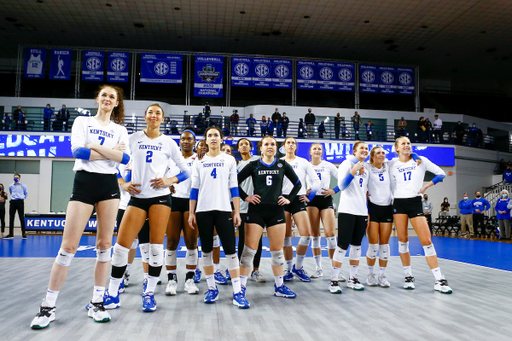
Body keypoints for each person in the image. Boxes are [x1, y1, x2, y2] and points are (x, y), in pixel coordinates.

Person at [30, 85, 130, 329]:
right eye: (104, 95)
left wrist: (94, 148)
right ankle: (48, 307)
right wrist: (109, 153)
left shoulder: (120, 130)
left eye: (112, 97)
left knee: (105, 246)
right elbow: (77, 152)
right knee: (68, 247)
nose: (107, 99)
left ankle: (97, 303)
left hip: (109, 186)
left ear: (117, 103)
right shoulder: (82, 122)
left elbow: (125, 159)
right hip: (84, 183)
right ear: (98, 99)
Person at [104, 103, 190, 313]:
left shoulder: (169, 143)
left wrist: (169, 180)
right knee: (121, 247)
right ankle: (112, 293)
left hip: (160, 198)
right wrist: (123, 184)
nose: (154, 115)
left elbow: (186, 171)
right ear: (145, 116)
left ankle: (149, 293)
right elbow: (115, 164)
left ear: (162, 119)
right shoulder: (132, 139)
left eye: (158, 113)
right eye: (150, 112)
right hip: (137, 198)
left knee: (155, 247)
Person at [237, 135, 302, 302]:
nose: (270, 146)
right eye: (266, 144)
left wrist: (289, 199)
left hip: (276, 212)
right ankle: (241, 289)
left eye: (272, 144)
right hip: (256, 211)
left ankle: (279, 287)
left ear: (276, 147)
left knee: (277, 252)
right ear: (261, 148)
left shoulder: (282, 164)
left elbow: (298, 184)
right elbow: (235, 182)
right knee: (248, 252)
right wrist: (246, 197)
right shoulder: (253, 165)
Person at [188, 127, 248, 308]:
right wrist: (191, 212)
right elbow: (194, 189)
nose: (213, 138)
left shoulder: (229, 160)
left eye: (216, 135)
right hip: (203, 210)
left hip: (223, 209)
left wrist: (236, 211)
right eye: (209, 136)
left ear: (221, 139)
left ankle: (238, 292)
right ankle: (212, 288)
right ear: (205, 140)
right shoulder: (199, 162)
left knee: (230, 250)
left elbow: (234, 188)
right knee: (206, 250)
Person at [390, 136, 452, 293]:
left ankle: (439, 280)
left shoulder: (421, 160)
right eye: (403, 143)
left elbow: (441, 173)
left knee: (426, 240)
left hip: (415, 202)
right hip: (398, 203)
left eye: (409, 143)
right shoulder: (391, 164)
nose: (407, 145)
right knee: (403, 240)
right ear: (396, 148)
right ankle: (408, 276)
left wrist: (426, 186)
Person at [329, 141, 369, 294]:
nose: (364, 150)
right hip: (347, 211)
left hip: (362, 212)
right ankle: (334, 280)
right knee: (342, 246)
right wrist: (353, 171)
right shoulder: (346, 164)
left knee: (357, 245)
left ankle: (353, 279)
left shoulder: (368, 168)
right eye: (361, 148)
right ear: (354, 151)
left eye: (366, 149)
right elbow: (342, 186)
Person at [164, 129, 200, 296]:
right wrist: (167, 185)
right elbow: (161, 176)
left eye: (189, 139)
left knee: (191, 242)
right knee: (171, 242)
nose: (186, 141)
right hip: (173, 201)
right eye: (183, 139)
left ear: (194, 142)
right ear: (179, 141)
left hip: (191, 202)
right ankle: (171, 279)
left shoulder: (199, 159)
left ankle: (189, 279)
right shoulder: (171, 159)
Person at [281, 137, 320, 282]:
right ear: (284, 146)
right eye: (288, 142)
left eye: (293, 143)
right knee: (286, 237)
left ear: (296, 146)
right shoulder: (279, 162)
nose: (291, 144)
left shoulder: (303, 162)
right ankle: (288, 269)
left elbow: (316, 180)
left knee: (306, 234)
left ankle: (298, 267)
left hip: (298, 199)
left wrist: (311, 195)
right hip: (283, 199)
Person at [306, 143, 339, 279]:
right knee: (315, 235)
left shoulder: (328, 165)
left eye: (319, 148)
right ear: (310, 151)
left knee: (330, 234)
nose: (317, 150)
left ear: (322, 152)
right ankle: (318, 268)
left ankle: (335, 269)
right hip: (312, 200)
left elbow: (343, 179)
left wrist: (334, 190)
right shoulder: (306, 165)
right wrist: (304, 191)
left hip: (326, 199)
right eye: (314, 148)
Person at [236, 138, 266, 283]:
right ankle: (239, 270)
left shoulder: (258, 160)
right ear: (238, 148)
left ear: (250, 147)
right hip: (242, 206)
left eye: (246, 144)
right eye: (241, 144)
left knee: (257, 240)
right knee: (242, 240)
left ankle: (255, 270)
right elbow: (233, 183)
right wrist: (245, 197)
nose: (243, 146)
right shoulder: (236, 165)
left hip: (257, 207)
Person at [5, 174, 28, 239]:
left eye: (17, 177)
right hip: (13, 201)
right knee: (11, 218)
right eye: (15, 177)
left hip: (20, 201)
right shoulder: (11, 186)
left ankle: (23, 234)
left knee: (21, 217)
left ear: (19, 178)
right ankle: (11, 234)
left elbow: (26, 193)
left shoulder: (23, 186)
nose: (16, 178)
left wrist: (21, 198)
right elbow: (11, 192)